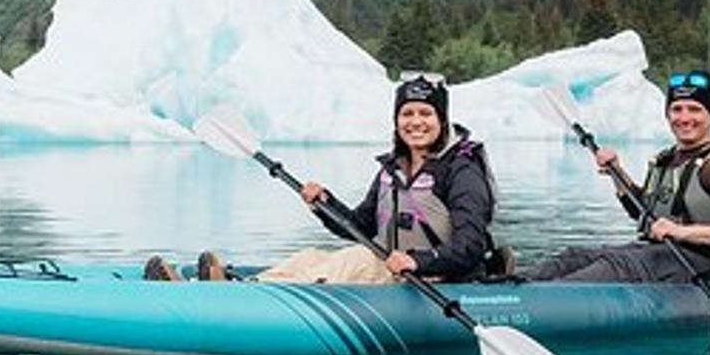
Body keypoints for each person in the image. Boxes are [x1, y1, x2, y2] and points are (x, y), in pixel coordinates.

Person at [145, 74, 499, 284]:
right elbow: (359, 226)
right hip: (393, 268)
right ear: (396, 121)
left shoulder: (462, 169)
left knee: (353, 262)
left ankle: (240, 297)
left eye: (426, 113)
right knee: (310, 257)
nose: (415, 122)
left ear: (442, 119)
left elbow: (470, 246)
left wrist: (418, 261)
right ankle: (238, 288)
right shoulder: (394, 168)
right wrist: (324, 204)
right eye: (407, 113)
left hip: (438, 278)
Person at [528, 68, 710, 283]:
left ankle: (542, 303)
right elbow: (644, 213)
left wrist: (679, 232)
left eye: (695, 109)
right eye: (677, 109)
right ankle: (511, 287)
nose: (684, 118)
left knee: (618, 264)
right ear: (668, 115)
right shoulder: (666, 160)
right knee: (574, 256)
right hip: (663, 252)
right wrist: (617, 175)